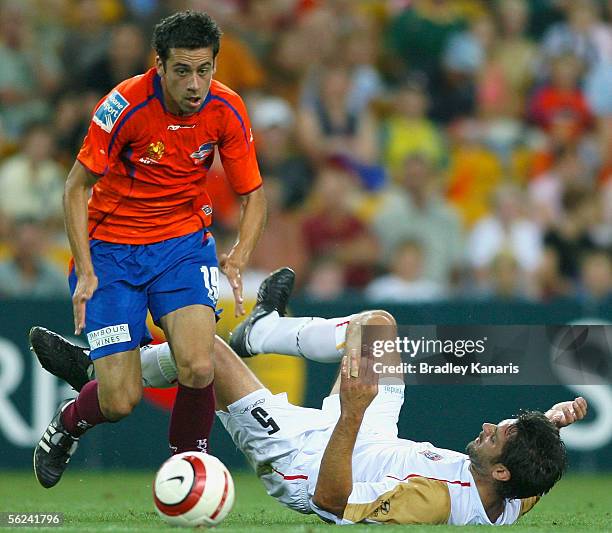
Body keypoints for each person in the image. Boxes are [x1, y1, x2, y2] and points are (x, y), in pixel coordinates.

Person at [31, 268, 588, 525]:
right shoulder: (516, 493)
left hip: (308, 459)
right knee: (378, 325)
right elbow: (535, 473)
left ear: (501, 474)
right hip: (370, 433)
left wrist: (348, 416)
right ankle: (261, 330)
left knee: (207, 353)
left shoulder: (434, 505)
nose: (492, 426)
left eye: (501, 437)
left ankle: (84, 396)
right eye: (506, 425)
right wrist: (550, 425)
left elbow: (328, 501)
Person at [33, 11, 267, 489]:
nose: (195, 84)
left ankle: (187, 477)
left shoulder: (227, 109)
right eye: (182, 70)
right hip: (112, 253)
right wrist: (89, 271)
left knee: (199, 364)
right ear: (158, 64)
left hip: (182, 246)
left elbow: (253, 194)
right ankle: (68, 422)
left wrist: (240, 252)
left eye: (204, 70)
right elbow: (76, 188)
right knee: (119, 399)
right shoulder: (123, 106)